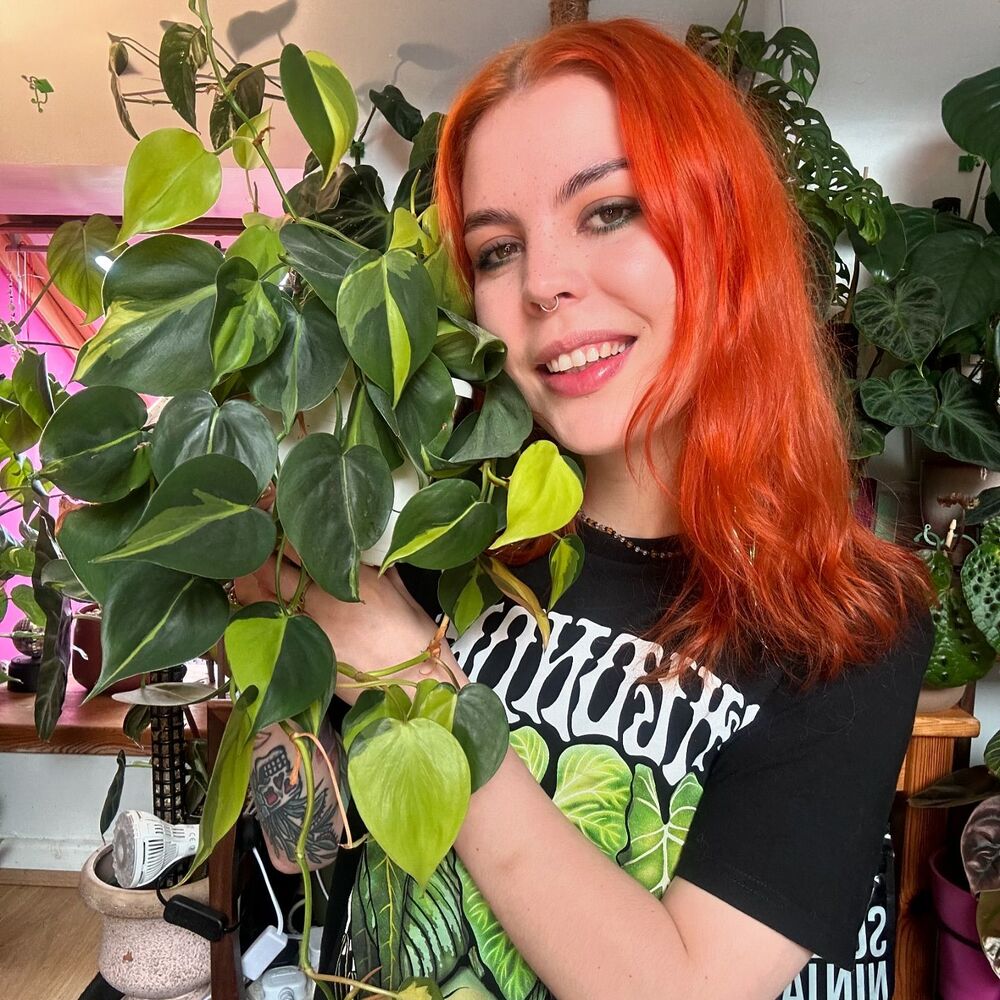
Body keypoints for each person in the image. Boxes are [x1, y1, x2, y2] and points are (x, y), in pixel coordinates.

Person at [238, 18, 935, 1000]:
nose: (544, 284)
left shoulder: (848, 621)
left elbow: (680, 988)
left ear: (721, 228)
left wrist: (420, 686)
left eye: (607, 210)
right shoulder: (440, 529)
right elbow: (318, 844)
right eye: (495, 249)